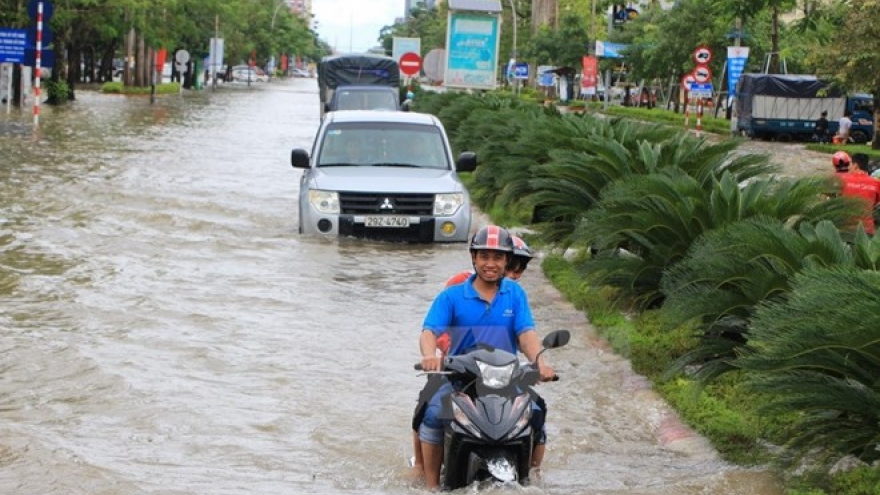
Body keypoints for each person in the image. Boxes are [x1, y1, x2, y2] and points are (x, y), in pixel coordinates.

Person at [415, 226, 555, 490]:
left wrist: (540, 362)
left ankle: (533, 481)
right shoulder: (452, 296)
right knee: (432, 413)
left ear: (506, 261)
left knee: (536, 412)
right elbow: (429, 331)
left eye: (498, 257)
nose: (491, 263)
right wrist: (429, 356)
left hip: (507, 380)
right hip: (460, 379)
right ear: (474, 258)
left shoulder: (515, 294)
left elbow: (526, 334)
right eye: (485, 256)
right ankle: (432, 486)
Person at [832, 151, 880, 235]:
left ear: (856, 165)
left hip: (846, 228)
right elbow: (876, 204)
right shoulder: (876, 183)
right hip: (867, 231)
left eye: (850, 164)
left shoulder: (842, 180)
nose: (849, 167)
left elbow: (838, 200)